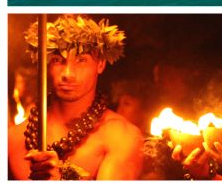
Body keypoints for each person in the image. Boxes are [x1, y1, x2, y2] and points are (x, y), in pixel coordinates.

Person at [9, 15, 143, 180]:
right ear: (44, 63)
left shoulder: (122, 137)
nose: (68, 74)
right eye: (58, 60)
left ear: (100, 64)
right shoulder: (14, 138)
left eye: (81, 60)